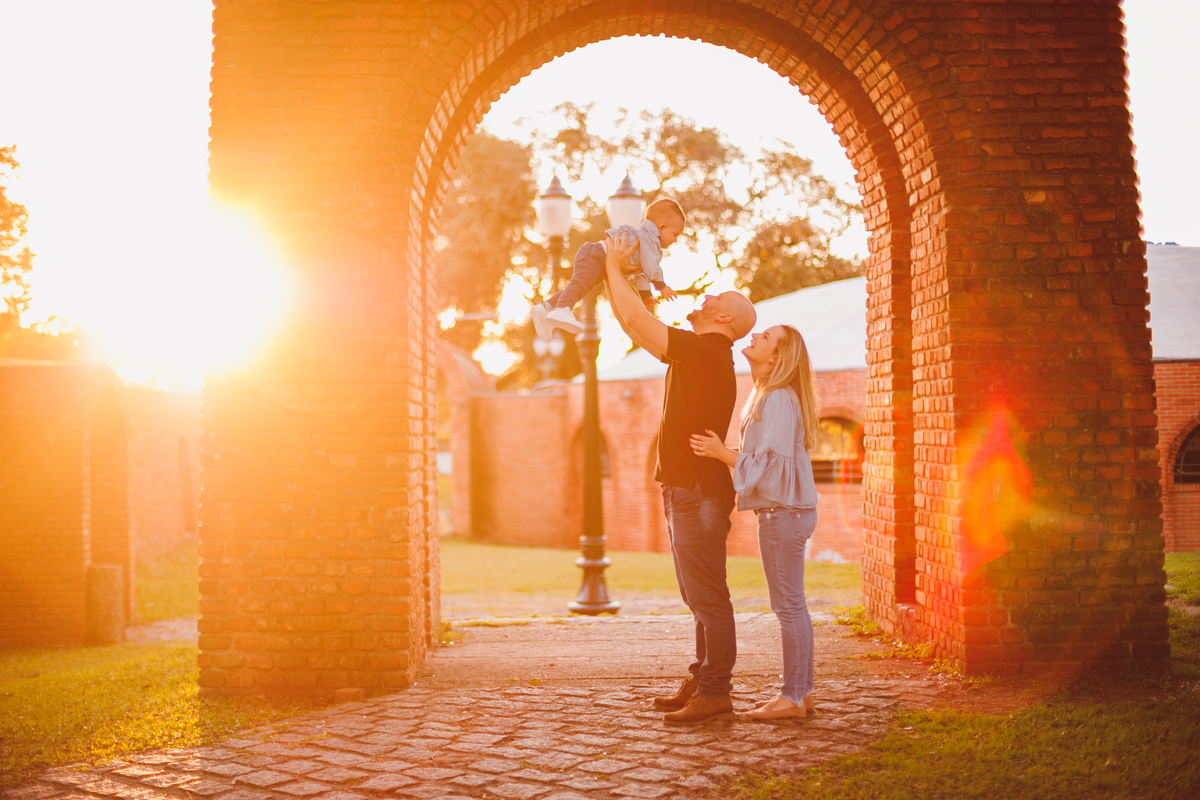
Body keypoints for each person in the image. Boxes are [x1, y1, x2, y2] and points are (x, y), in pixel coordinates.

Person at [601, 231, 757, 725]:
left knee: (707, 593)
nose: (706, 297)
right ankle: (703, 678)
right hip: (687, 490)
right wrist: (621, 274)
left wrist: (609, 265)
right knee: (698, 592)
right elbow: (636, 324)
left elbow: (633, 320)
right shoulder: (699, 353)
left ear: (724, 317)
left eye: (715, 298)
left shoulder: (705, 351)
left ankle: (716, 691)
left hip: (698, 494)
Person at [688, 324, 820, 720]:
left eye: (764, 337)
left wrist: (721, 453)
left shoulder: (778, 398)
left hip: (784, 512)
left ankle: (793, 697)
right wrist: (727, 452)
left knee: (789, 607)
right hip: (785, 511)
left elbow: (770, 465)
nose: (755, 338)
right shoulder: (769, 395)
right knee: (792, 605)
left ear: (777, 357)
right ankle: (802, 693)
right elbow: (766, 457)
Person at [532, 198, 683, 341]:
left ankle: (546, 308)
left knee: (581, 287)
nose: (675, 240)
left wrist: (645, 295)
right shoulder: (650, 240)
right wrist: (662, 286)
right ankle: (562, 309)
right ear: (661, 227)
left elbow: (642, 273)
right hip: (596, 255)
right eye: (675, 234)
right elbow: (651, 267)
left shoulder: (649, 244)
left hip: (597, 258)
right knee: (580, 284)